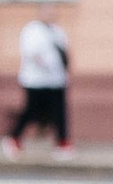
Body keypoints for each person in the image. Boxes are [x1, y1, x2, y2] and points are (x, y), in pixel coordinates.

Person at [5, 10, 68, 155]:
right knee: (31, 110)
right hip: (35, 80)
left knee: (59, 112)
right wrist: (45, 65)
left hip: (56, 80)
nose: (50, 14)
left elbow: (64, 52)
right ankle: (14, 139)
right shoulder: (32, 30)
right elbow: (32, 53)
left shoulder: (57, 31)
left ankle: (63, 142)